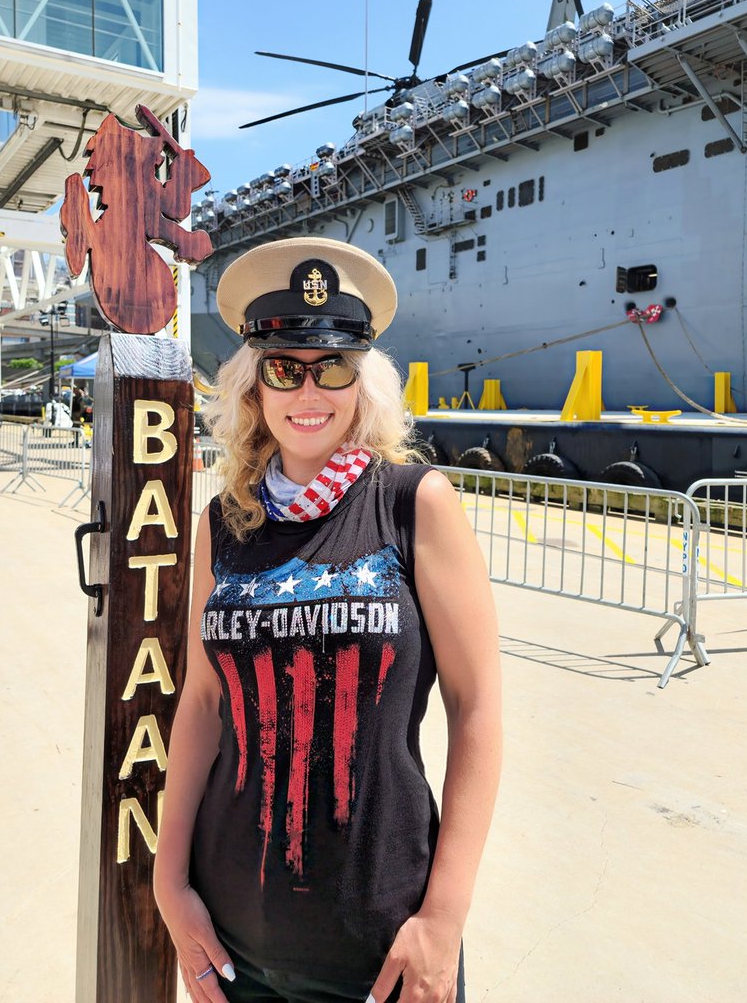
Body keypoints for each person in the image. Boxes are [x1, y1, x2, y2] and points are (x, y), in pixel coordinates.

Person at [154, 238, 502, 1003]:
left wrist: (442, 919)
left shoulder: (415, 504)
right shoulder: (224, 523)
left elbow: (476, 711)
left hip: (381, 947)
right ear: (254, 387)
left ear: (362, 382)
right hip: (234, 935)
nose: (309, 392)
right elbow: (205, 704)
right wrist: (169, 881)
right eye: (285, 369)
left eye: (333, 368)